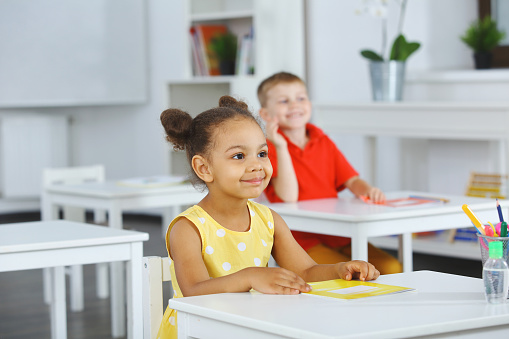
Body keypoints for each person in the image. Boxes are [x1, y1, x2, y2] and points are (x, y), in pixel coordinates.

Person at [156, 95, 380, 338]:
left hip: (248, 325)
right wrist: (250, 277)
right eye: (239, 156)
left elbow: (306, 272)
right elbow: (194, 290)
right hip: (197, 330)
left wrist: (340, 270)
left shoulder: (268, 219)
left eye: (262, 153)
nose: (257, 165)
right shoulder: (188, 228)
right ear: (204, 168)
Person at [257, 71, 402, 274]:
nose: (294, 105)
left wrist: (369, 190)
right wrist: (281, 146)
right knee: (347, 276)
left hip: (339, 234)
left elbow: (351, 180)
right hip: (300, 241)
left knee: (392, 267)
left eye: (301, 98)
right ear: (265, 114)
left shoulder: (322, 140)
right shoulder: (267, 149)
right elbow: (289, 197)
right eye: (284, 101)